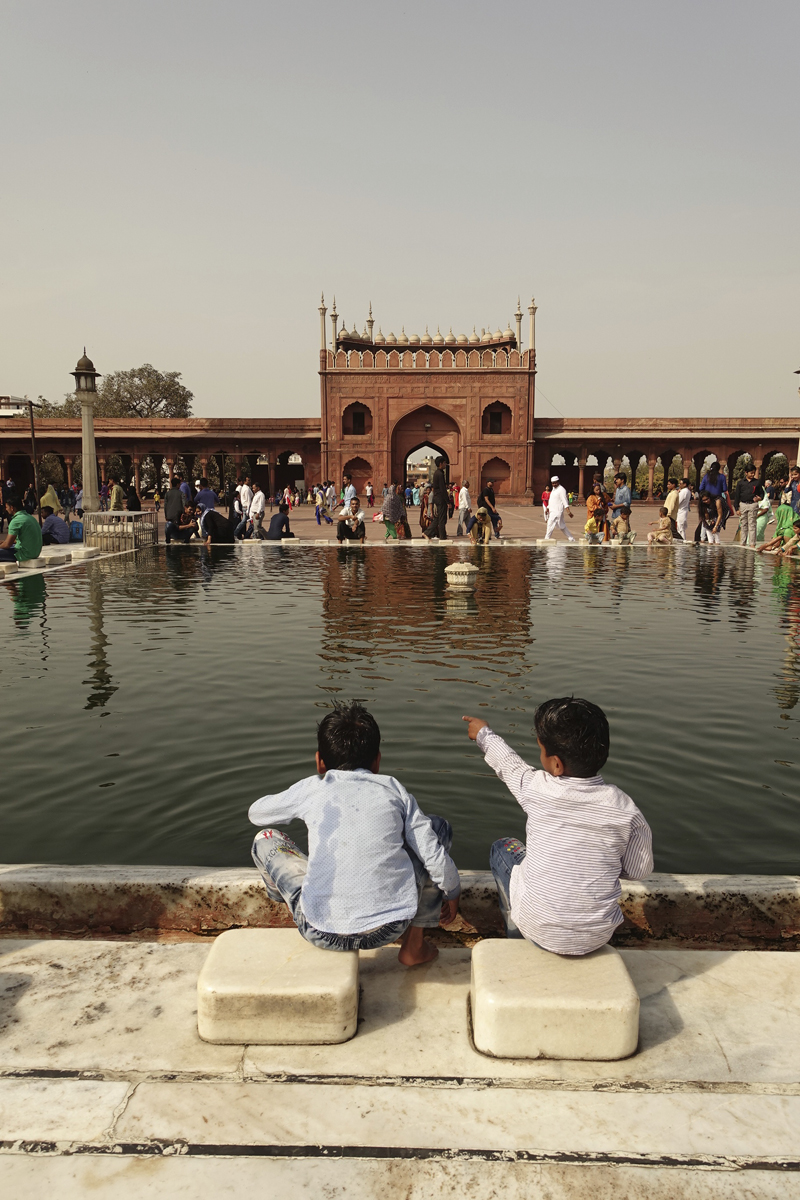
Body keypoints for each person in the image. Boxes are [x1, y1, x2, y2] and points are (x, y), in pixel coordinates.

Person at [249, 703, 460, 964]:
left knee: (266, 839)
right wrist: (452, 890)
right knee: (436, 828)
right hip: (390, 928)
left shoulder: (313, 788)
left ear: (319, 762)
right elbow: (433, 856)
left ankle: (284, 908)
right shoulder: (393, 788)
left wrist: (303, 794)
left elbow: (257, 814)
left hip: (319, 930)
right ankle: (414, 945)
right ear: (377, 760)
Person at [461, 700, 652, 952]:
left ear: (557, 764)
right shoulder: (625, 809)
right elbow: (638, 871)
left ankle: (517, 933)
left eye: (541, 751)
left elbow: (507, 763)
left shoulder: (537, 788)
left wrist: (483, 733)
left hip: (537, 929)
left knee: (504, 849)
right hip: (597, 937)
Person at [0, 494, 43, 562]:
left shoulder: (16, 521)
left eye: (6, 507)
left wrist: (3, 544)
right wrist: (3, 542)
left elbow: (7, 545)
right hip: (35, 553)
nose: (6, 509)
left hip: (24, 554)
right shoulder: (30, 517)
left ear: (12, 508)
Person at [732, 463, 765, 548]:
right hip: (743, 504)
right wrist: (737, 508)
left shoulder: (757, 482)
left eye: (753, 473)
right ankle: (742, 542)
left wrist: (759, 498)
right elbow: (737, 496)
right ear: (746, 473)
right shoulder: (741, 483)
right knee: (744, 524)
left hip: (753, 505)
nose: (752, 474)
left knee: (752, 524)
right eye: (751, 473)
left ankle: (752, 544)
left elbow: (762, 494)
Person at [698, 461, 730, 533]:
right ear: (718, 469)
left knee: (705, 518)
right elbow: (725, 489)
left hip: (706, 499)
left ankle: (703, 537)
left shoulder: (706, 476)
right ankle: (719, 525)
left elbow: (700, 488)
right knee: (722, 513)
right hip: (717, 499)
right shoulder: (721, 477)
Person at [424, 457, 449, 540]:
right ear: (441, 464)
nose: (445, 465)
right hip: (440, 498)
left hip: (437, 497)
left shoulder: (437, 473)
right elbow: (442, 488)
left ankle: (427, 533)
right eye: (444, 463)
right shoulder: (440, 474)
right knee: (442, 519)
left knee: (438, 518)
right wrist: (448, 501)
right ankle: (442, 537)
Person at [545, 475, 575, 541]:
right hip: (553, 510)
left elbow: (565, 501)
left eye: (556, 482)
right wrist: (548, 507)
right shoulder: (553, 490)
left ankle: (546, 538)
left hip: (557, 511)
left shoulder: (561, 489)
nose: (554, 484)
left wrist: (568, 511)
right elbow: (551, 500)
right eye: (553, 483)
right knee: (562, 526)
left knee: (550, 523)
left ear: (558, 482)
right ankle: (571, 538)